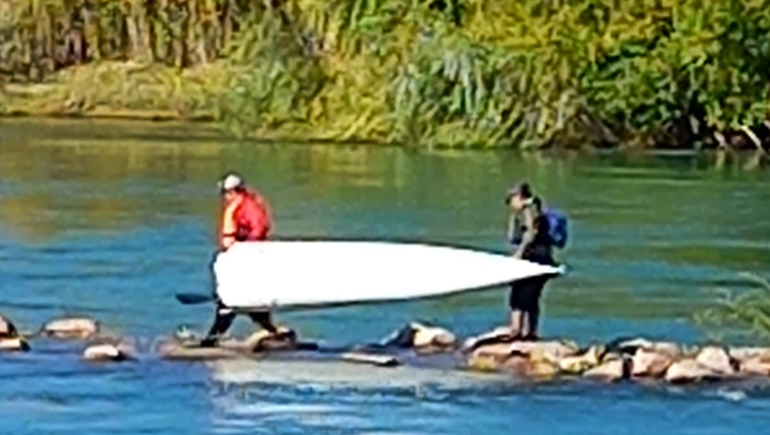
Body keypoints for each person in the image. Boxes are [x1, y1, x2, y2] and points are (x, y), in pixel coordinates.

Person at [200, 172, 290, 347]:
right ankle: (274, 333)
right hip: (241, 260)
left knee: (232, 302)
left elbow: (260, 228)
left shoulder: (249, 208)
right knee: (243, 303)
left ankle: (210, 341)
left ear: (234, 192)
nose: (224, 197)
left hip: (249, 260)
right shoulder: (238, 206)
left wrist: (244, 249)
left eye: (225, 193)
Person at [504, 182, 556, 341]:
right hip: (543, 258)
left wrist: (519, 254)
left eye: (511, 200)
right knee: (530, 297)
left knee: (520, 297)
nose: (510, 205)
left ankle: (517, 332)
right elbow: (513, 236)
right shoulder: (534, 208)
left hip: (533, 258)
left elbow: (530, 234)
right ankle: (529, 332)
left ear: (519, 197)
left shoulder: (529, 210)